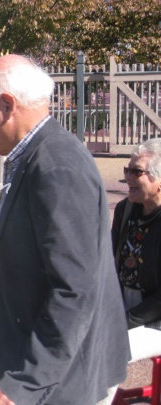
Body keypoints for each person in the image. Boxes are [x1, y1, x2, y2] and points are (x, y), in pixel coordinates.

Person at [0, 55, 130, 405]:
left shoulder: (56, 166)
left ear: (8, 105)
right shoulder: (38, 155)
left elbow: (75, 288)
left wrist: (27, 382)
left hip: (62, 382)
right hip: (54, 371)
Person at [112, 137, 161, 363]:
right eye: (127, 170)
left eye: (137, 172)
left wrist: (122, 321)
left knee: (106, 351)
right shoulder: (125, 209)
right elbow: (108, 262)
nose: (128, 177)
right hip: (125, 304)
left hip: (155, 318)